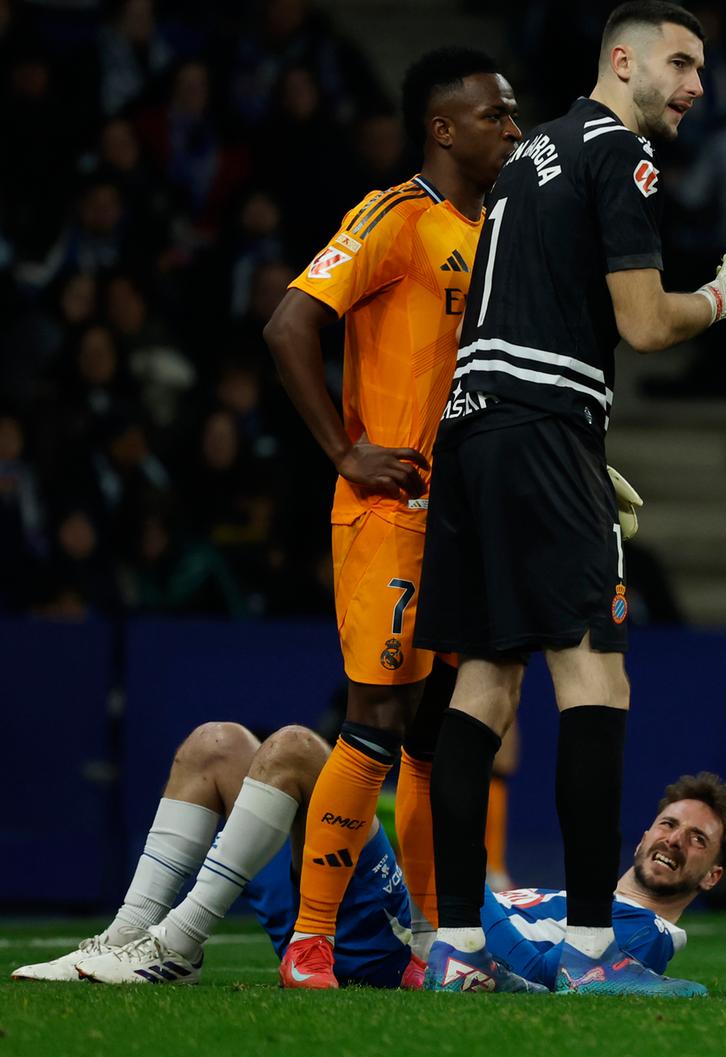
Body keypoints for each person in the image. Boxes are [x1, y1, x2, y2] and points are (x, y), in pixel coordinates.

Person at [411, 1, 726, 997]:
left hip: (474, 428)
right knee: (595, 681)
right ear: (625, 60)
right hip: (538, 427)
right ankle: (593, 954)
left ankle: (458, 951)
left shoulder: (528, 156)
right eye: (683, 64)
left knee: (484, 684)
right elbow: (645, 325)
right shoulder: (622, 154)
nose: (697, 88)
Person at [261, 48, 522, 990]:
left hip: (471, 517)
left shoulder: (497, 227)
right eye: (496, 116)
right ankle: (313, 937)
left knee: (438, 733)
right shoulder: (396, 216)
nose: (513, 129)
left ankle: (419, 943)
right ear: (444, 127)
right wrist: (343, 450)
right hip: (393, 509)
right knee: (374, 718)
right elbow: (290, 322)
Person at [12, 722, 726, 996]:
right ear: (642, 833)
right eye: (670, 826)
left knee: (298, 750)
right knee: (217, 747)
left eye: (696, 841)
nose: (674, 841)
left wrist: (454, 881)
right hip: (362, 926)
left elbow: (544, 972)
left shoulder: (646, 937)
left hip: (397, 945)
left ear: (713, 876)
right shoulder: (578, 897)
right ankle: (127, 936)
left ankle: (170, 946)